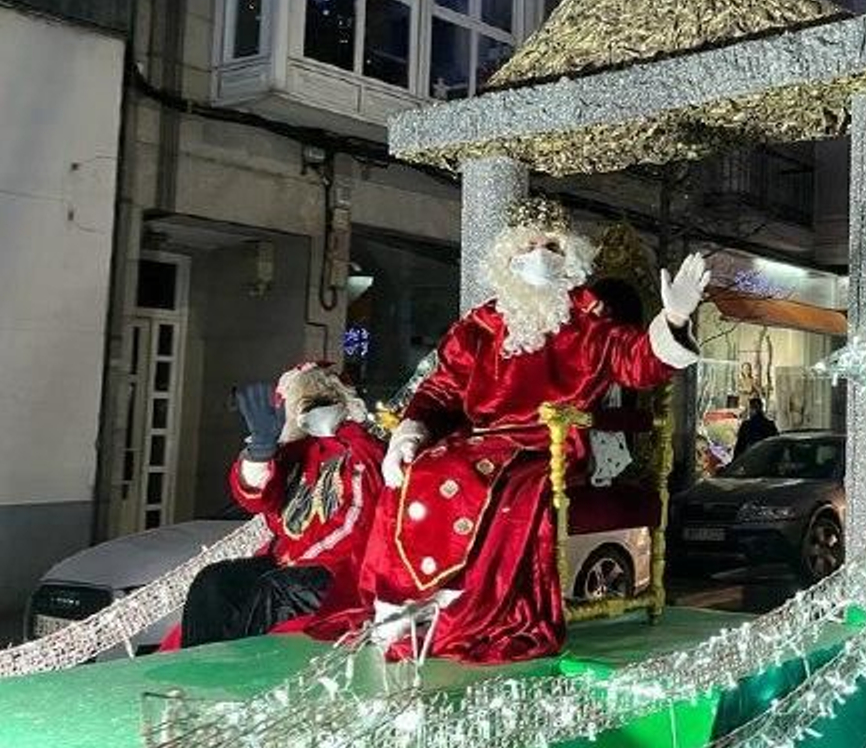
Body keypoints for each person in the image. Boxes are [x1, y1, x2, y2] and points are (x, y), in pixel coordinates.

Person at [347, 196, 707, 663]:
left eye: (552, 245)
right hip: (480, 441)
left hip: (551, 444)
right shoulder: (478, 328)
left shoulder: (590, 321)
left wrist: (674, 320)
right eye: (529, 244)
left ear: (569, 256)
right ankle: (410, 600)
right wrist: (412, 429)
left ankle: (472, 606)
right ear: (508, 258)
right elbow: (441, 390)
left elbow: (638, 363)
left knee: (508, 490)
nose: (540, 255)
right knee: (418, 474)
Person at [177, 362, 384, 647]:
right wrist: (260, 450)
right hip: (290, 562)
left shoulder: (360, 451)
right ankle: (195, 663)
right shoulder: (296, 452)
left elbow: (355, 523)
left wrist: (294, 560)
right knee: (215, 580)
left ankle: (234, 674)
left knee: (276, 589)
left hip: (344, 572)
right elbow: (258, 498)